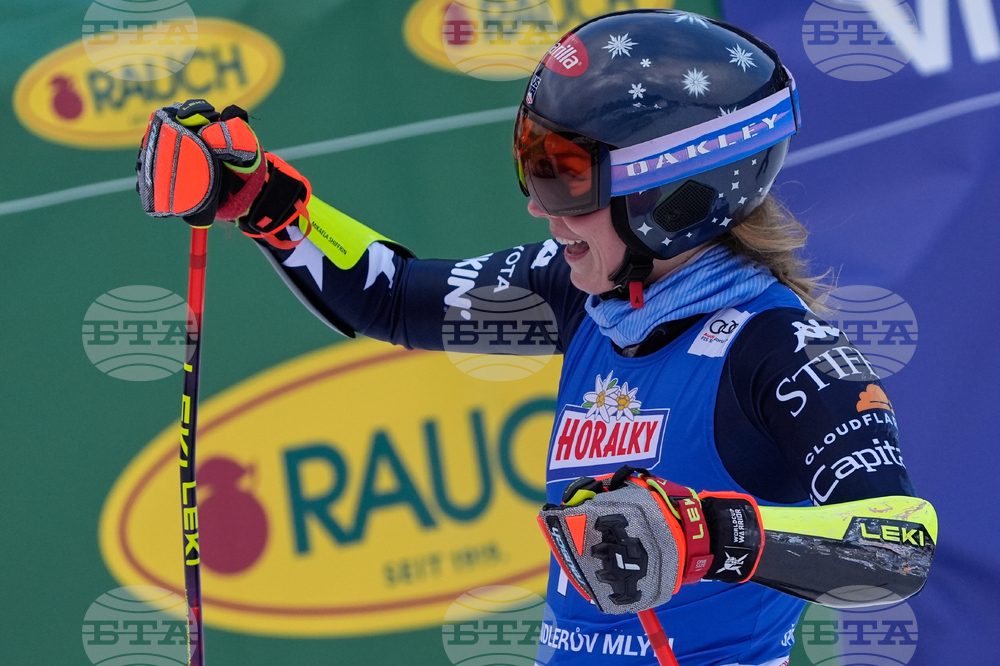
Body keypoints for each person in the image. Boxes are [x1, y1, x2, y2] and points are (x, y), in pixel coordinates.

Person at [136, 9, 934, 666]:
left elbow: (899, 548)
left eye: (564, 175)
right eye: (531, 161)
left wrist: (715, 536)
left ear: (679, 192)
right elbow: (397, 300)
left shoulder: (777, 349)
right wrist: (267, 203)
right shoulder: (582, 295)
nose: (538, 207)